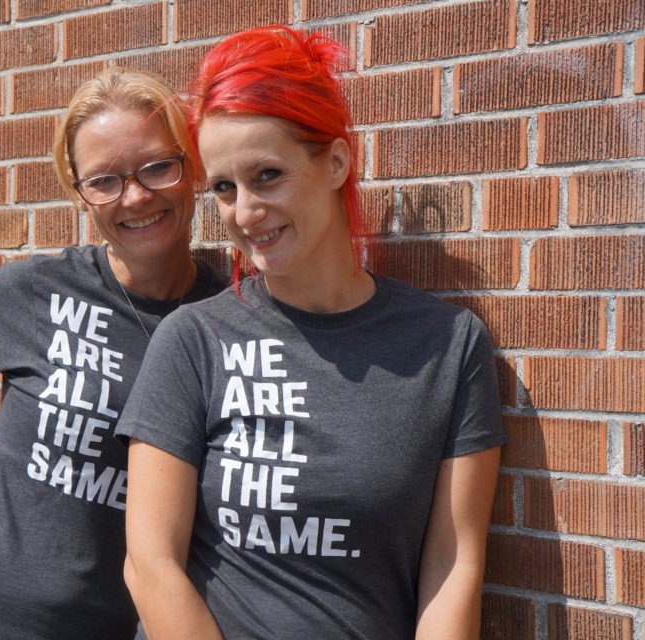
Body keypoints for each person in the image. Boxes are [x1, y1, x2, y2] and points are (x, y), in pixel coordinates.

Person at [117, 25, 506, 640]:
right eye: (223, 187)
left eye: (267, 175)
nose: (244, 212)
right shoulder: (194, 341)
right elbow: (150, 566)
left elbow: (452, 566)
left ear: (336, 163)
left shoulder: (449, 346)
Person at [0, 68, 228, 639]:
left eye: (158, 166)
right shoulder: (37, 290)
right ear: (79, 192)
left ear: (195, 167)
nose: (135, 196)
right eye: (104, 180)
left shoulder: (229, 316)